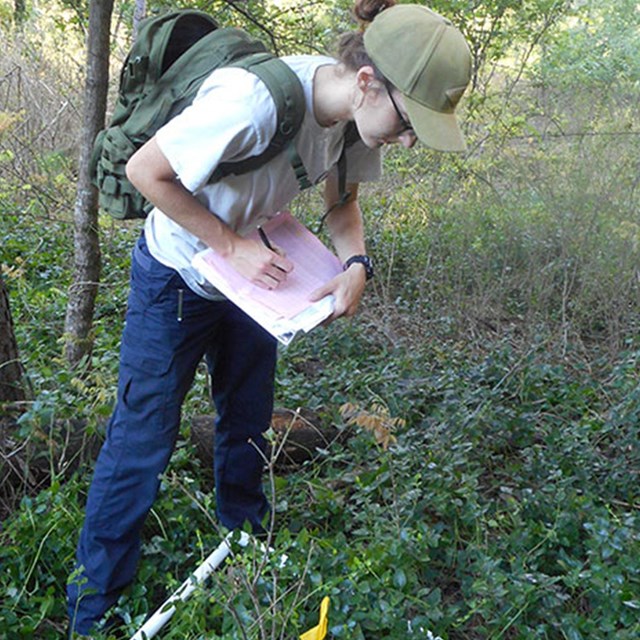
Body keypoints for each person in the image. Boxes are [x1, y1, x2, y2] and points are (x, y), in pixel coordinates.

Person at [67, 1, 472, 636]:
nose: (410, 138)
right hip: (177, 279)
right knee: (142, 442)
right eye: (408, 120)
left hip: (253, 286)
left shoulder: (353, 122)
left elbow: (343, 208)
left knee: (249, 421)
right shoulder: (256, 102)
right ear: (367, 81)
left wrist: (356, 262)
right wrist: (230, 248)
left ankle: (245, 540)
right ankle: (93, 611)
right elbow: (146, 171)